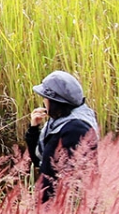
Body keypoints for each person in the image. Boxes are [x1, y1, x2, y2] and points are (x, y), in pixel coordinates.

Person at [26, 70, 99, 203]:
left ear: (55, 101)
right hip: (52, 208)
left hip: (62, 211)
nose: (43, 101)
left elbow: (72, 179)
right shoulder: (59, 121)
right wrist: (33, 128)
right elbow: (40, 160)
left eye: (45, 97)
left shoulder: (75, 129)